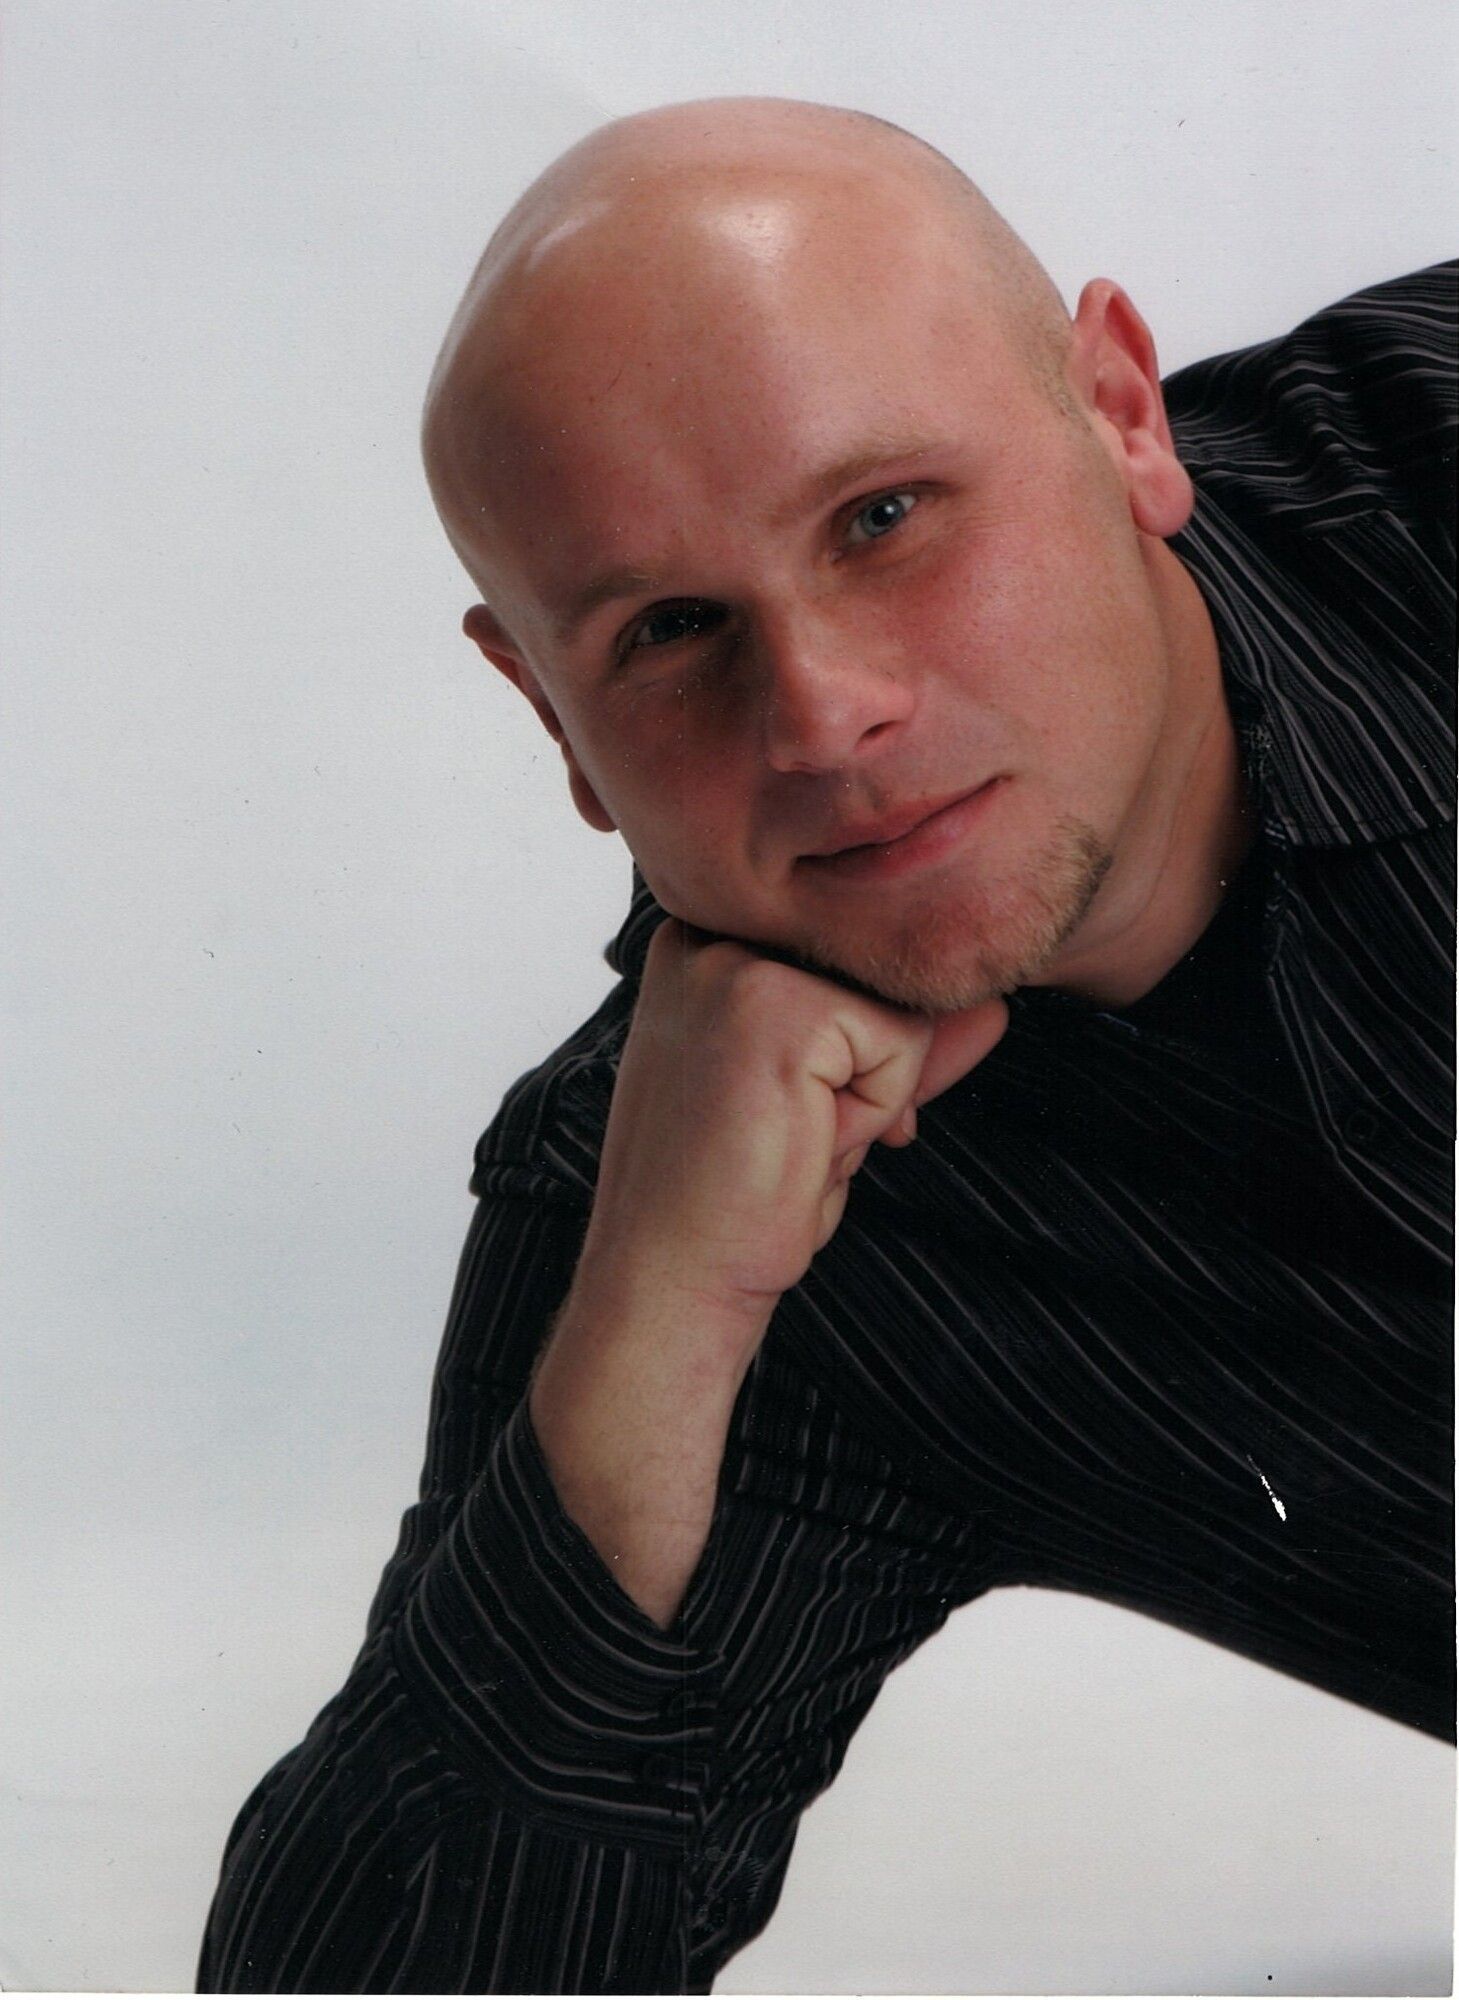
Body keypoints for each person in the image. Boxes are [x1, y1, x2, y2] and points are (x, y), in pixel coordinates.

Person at [197, 98, 1454, 1992]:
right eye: (670, 628)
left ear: (1121, 415)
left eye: (883, 518)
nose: (825, 715)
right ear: (546, 710)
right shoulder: (707, 1225)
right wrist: (658, 1335)